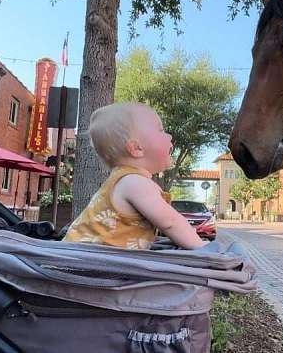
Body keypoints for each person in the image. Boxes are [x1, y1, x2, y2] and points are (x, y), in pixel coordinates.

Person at [63, 102, 205, 250]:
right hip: (88, 266)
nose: (169, 136)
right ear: (136, 148)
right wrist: (202, 247)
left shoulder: (124, 179)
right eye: (161, 130)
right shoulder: (134, 183)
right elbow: (170, 222)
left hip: (86, 261)